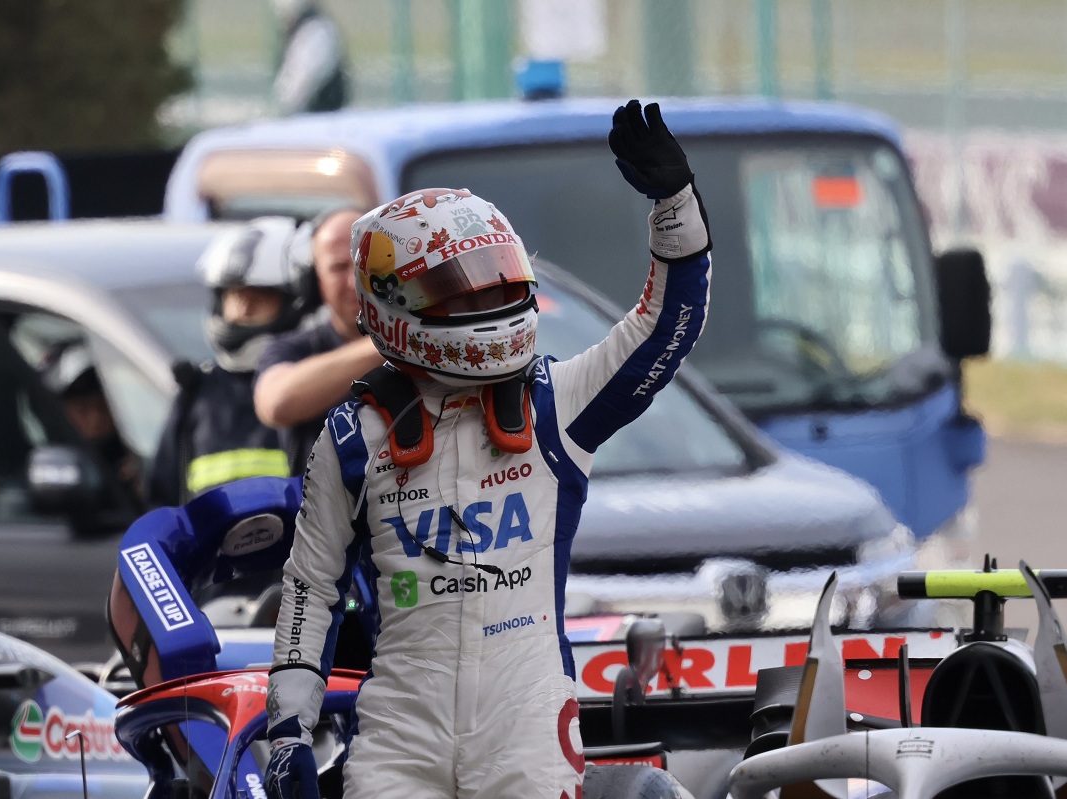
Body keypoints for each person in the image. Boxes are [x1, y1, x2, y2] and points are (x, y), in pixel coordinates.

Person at [263, 99, 712, 799]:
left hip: (528, 731)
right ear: (392, 304)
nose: (489, 306)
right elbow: (308, 584)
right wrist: (289, 724)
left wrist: (675, 202)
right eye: (461, 292)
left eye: (498, 281)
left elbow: (664, 327)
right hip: (399, 738)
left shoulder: (553, 405)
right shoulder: (353, 433)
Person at [145, 216, 322, 507]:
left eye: (259, 296)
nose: (241, 310)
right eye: (234, 295)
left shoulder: (318, 392)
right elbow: (162, 503)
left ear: (298, 302)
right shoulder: (196, 394)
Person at [254, 207, 384, 476]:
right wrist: (392, 342)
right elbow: (276, 403)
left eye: (366, 265)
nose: (355, 282)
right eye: (338, 268)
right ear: (315, 282)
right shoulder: (292, 349)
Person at [40, 340, 143, 506]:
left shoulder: (142, 459)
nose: (96, 418)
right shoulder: (43, 467)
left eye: (105, 406)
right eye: (82, 407)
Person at [271, 0, 349, 115]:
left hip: (320, 118)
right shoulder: (301, 29)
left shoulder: (315, 30)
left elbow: (301, 82)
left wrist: (283, 110)